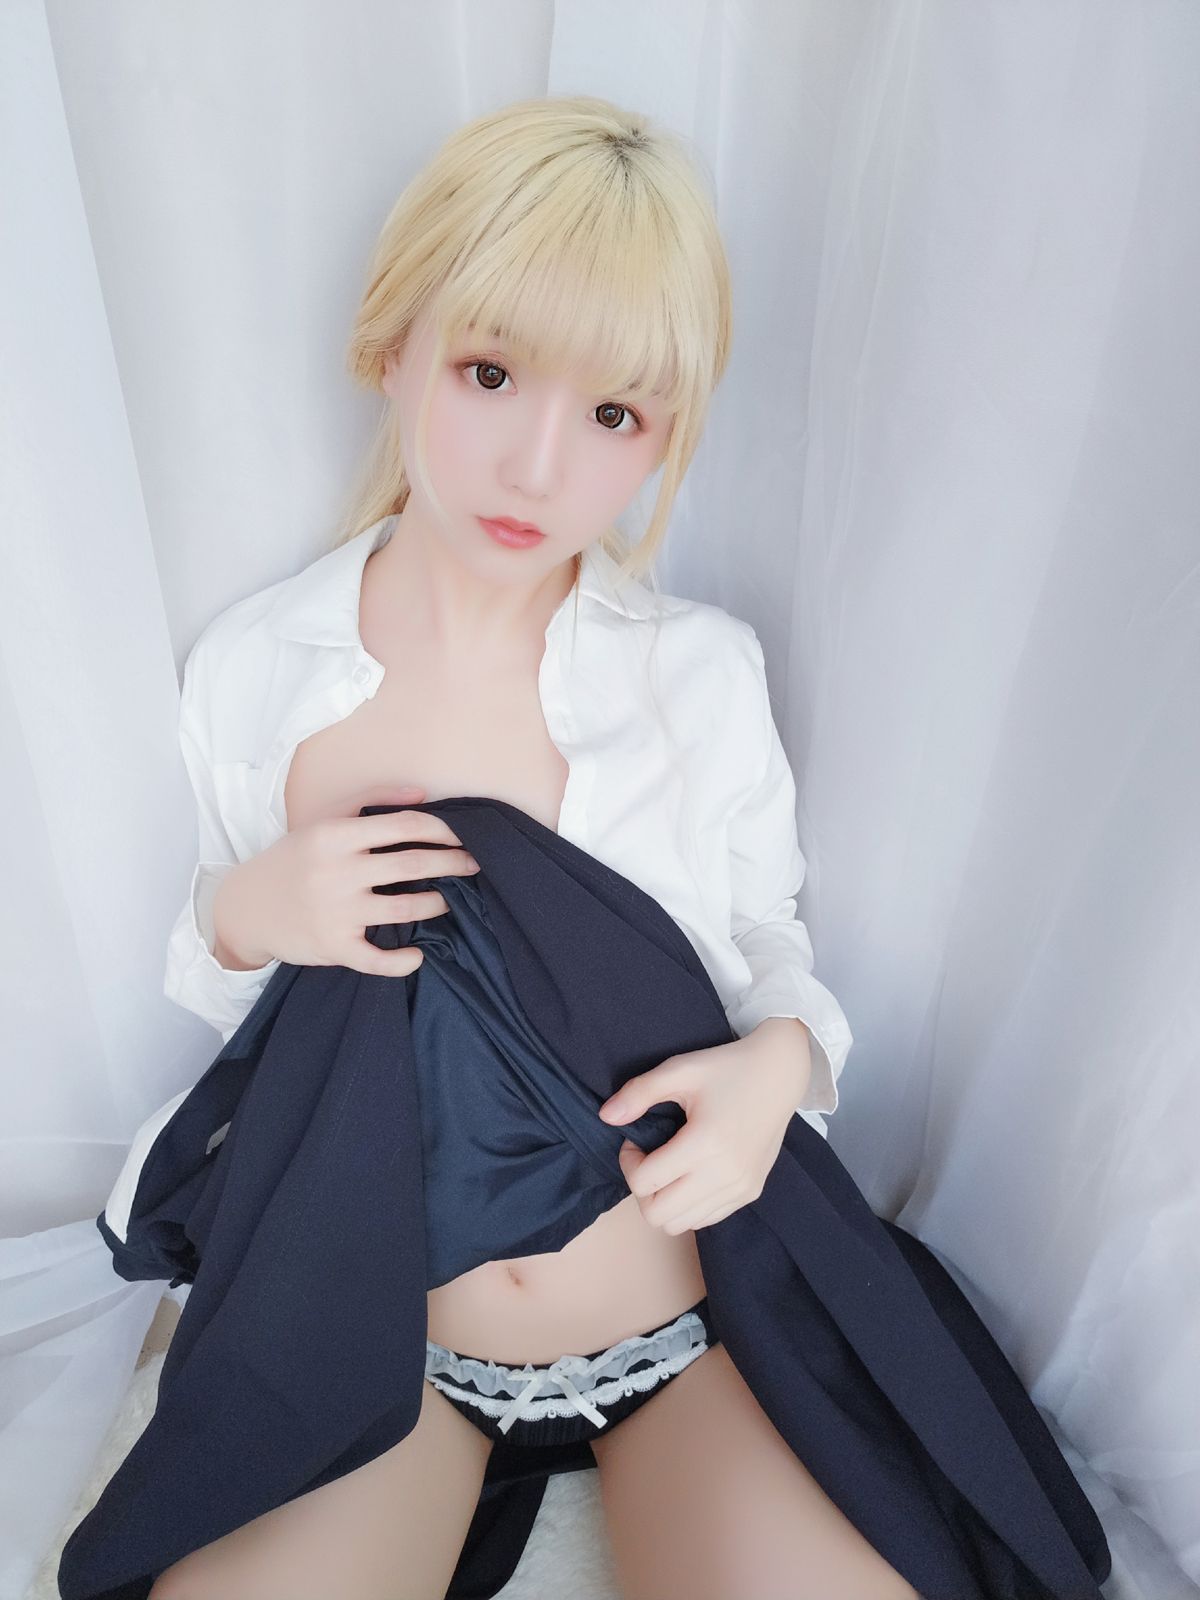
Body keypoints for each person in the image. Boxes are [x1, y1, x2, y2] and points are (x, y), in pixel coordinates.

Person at [147, 95, 915, 1600]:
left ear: (666, 434)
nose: (539, 467)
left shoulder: (697, 674)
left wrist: (783, 1068)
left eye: (616, 414)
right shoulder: (262, 671)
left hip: (687, 1331)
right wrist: (246, 911)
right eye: (490, 374)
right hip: (385, 1344)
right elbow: (253, 1033)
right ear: (392, 347)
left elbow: (770, 949)